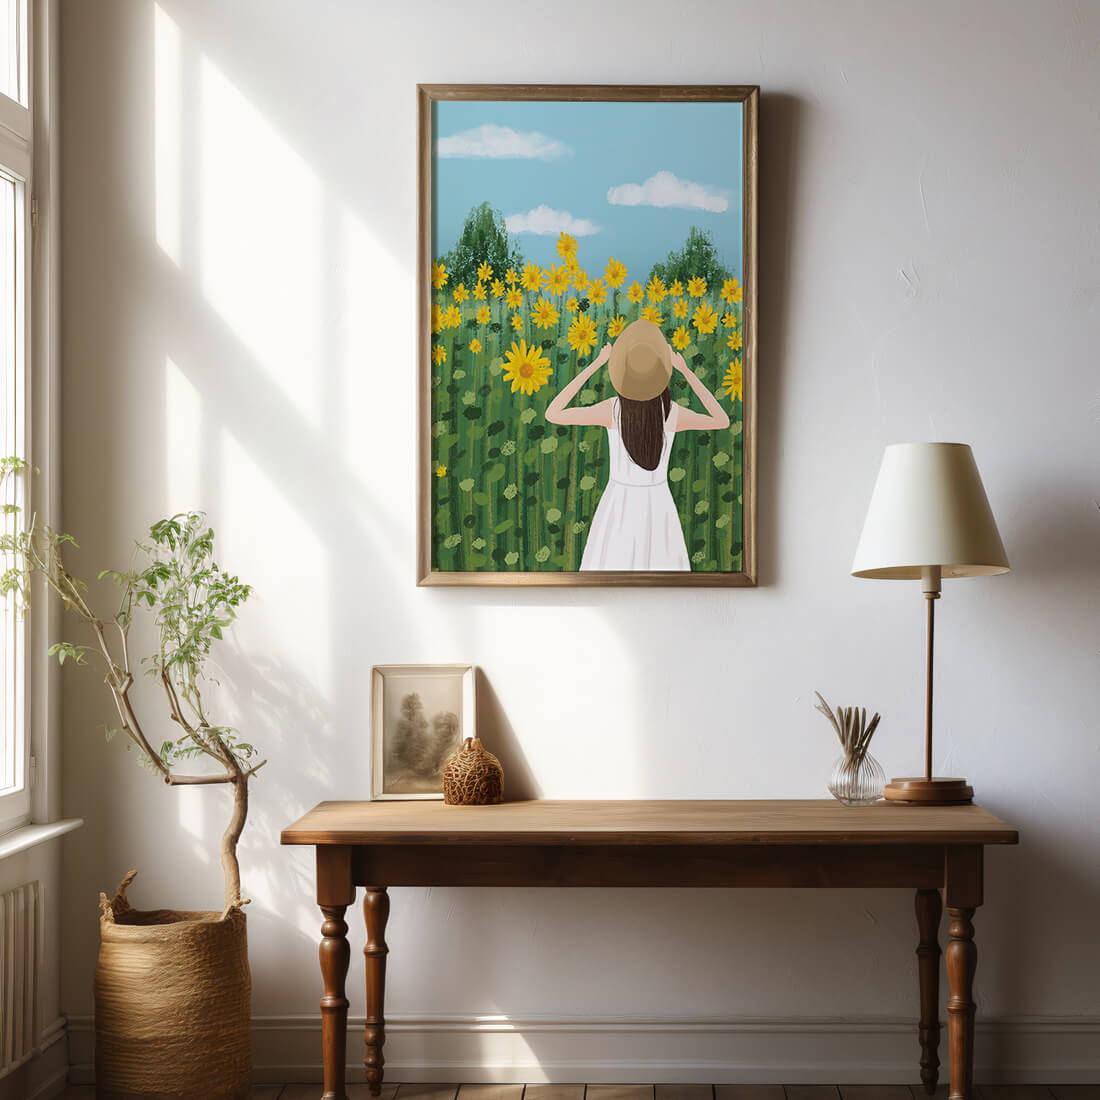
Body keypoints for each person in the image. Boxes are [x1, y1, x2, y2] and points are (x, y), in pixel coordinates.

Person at [545, 319, 730, 571]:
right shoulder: (670, 414)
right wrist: (686, 370)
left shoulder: (612, 410)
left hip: (618, 503)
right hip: (658, 504)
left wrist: (596, 364)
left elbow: (553, 413)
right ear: (661, 375)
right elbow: (721, 420)